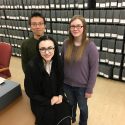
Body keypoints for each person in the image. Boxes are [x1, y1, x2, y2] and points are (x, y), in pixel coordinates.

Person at [24, 35, 71, 125]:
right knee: (48, 119)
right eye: (42, 49)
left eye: (50, 48)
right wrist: (49, 101)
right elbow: (30, 92)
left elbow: (61, 82)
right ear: (38, 50)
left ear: (55, 49)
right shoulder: (31, 66)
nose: (47, 52)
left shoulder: (59, 62)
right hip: (41, 102)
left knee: (65, 118)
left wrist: (60, 95)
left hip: (57, 98)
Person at [62, 15, 99, 125]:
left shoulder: (90, 46)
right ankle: (71, 118)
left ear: (84, 28)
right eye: (72, 26)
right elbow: (61, 63)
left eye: (78, 26)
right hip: (67, 84)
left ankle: (83, 123)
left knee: (83, 107)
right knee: (70, 104)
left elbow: (94, 70)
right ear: (69, 28)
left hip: (82, 87)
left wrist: (89, 89)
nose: (75, 28)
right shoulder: (66, 43)